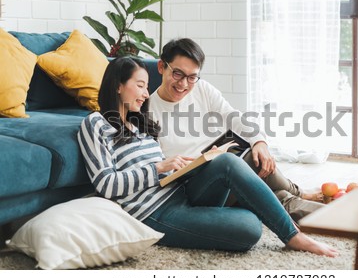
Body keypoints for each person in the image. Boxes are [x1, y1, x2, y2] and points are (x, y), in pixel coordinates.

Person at [77, 56, 337, 257]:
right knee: (250, 228)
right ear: (118, 86)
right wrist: (157, 168)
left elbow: (163, 172)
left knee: (227, 160)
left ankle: (292, 235)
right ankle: (290, 208)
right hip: (155, 213)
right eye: (140, 86)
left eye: (146, 87)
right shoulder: (96, 124)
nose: (146, 93)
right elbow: (106, 185)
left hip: (179, 193)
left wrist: (184, 167)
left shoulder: (141, 123)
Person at [149, 38, 325, 223]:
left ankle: (343, 217)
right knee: (249, 163)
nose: (184, 84)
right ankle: (301, 192)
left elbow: (233, 117)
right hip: (193, 187)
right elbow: (158, 169)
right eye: (177, 74)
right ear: (162, 67)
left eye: (192, 77)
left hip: (225, 170)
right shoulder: (147, 112)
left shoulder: (201, 88)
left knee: (273, 187)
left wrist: (259, 141)